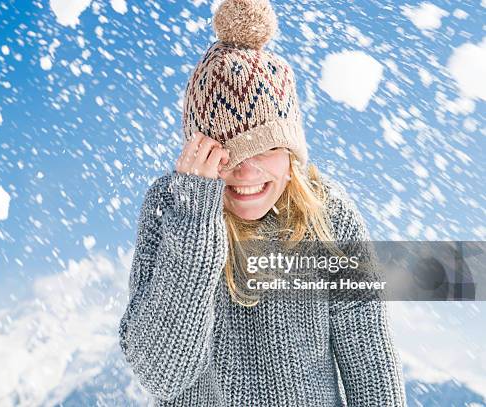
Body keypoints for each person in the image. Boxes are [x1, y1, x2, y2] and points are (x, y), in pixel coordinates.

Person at [118, 0, 407, 405]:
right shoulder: (171, 208)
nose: (246, 172)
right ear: (196, 156)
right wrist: (195, 223)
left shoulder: (329, 215)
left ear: (291, 150)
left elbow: (371, 365)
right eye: (225, 154)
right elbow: (162, 374)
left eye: (265, 147)